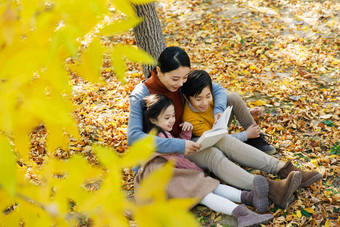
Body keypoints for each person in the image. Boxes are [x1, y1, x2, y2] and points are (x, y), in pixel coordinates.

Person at [127, 46, 322, 209]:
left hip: (187, 140)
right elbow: (134, 137)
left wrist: (217, 110)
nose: (180, 84)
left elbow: (218, 89)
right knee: (213, 155)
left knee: (223, 139)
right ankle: (273, 189)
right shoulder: (141, 94)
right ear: (159, 71)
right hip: (162, 155)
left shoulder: (180, 83)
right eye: (175, 79)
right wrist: (178, 146)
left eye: (184, 78)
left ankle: (283, 169)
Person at [134, 94, 274, 226]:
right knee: (202, 191)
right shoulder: (157, 137)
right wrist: (196, 169)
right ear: (152, 120)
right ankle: (243, 215)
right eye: (167, 117)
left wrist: (186, 133)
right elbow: (179, 159)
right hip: (163, 178)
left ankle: (248, 197)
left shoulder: (162, 133)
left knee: (208, 184)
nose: (172, 120)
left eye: (173, 116)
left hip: (171, 172)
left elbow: (178, 149)